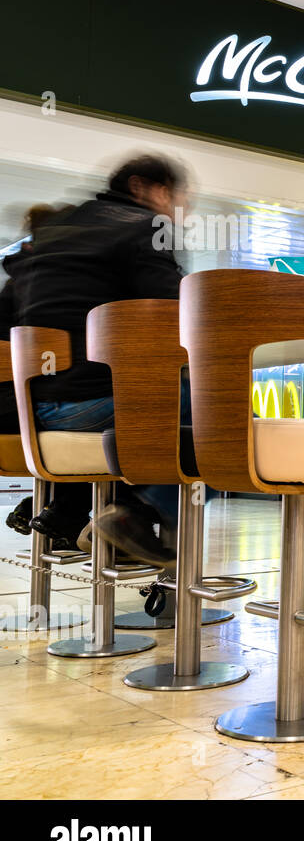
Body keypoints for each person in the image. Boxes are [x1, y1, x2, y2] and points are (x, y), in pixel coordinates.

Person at [9, 154, 189, 565]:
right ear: (142, 187)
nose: (177, 207)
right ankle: (136, 517)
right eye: (172, 194)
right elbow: (177, 316)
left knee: (166, 400)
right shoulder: (145, 229)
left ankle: (84, 512)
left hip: (32, 410)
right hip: (85, 405)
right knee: (215, 407)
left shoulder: (54, 230)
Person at [2, 205, 78, 544]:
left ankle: (52, 508)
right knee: (123, 420)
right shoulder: (57, 288)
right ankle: (70, 512)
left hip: (11, 407)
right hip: (26, 411)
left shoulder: (15, 283)